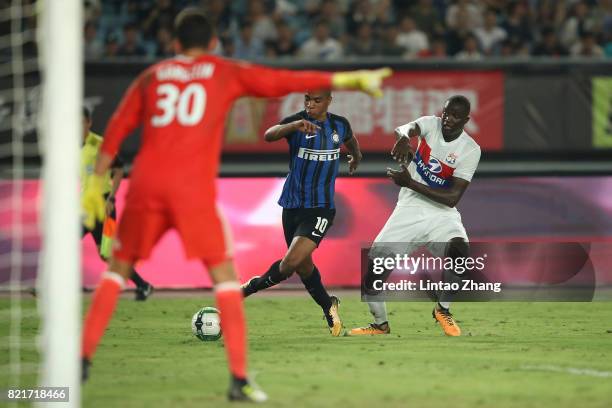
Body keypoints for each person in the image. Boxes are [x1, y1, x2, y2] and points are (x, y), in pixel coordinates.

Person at [80, 7, 390, 402]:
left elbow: (117, 131)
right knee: (237, 275)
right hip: (201, 192)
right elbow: (280, 81)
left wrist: (94, 184)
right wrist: (349, 78)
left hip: (148, 186)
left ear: (174, 44)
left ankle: (83, 357)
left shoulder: (150, 77)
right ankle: (240, 377)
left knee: (116, 271)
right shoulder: (223, 73)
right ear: (213, 44)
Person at [349, 95, 481, 337]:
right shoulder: (431, 124)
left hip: (442, 214)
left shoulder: (470, 150)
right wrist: (403, 137)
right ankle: (380, 325)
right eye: (446, 113)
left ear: (466, 120)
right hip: (408, 209)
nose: (448, 119)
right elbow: (409, 127)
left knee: (461, 254)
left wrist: (409, 182)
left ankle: (442, 309)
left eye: (455, 116)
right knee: (374, 273)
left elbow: (452, 198)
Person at [241, 89, 361, 337]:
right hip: (292, 206)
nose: (311, 104)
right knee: (304, 268)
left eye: (317, 100)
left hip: (321, 209)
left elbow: (350, 140)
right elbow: (268, 135)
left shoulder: (340, 124)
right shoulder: (297, 123)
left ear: (329, 101)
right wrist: (294, 125)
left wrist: (355, 156)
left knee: (289, 264)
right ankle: (329, 306)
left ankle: (245, 290)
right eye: (307, 99)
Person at [81, 107, 153, 301]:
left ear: (89, 123)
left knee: (109, 255)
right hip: (86, 207)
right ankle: (50, 287)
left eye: (81, 123)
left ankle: (143, 284)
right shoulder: (70, 146)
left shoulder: (99, 144)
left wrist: (112, 198)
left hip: (105, 205)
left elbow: (120, 169)